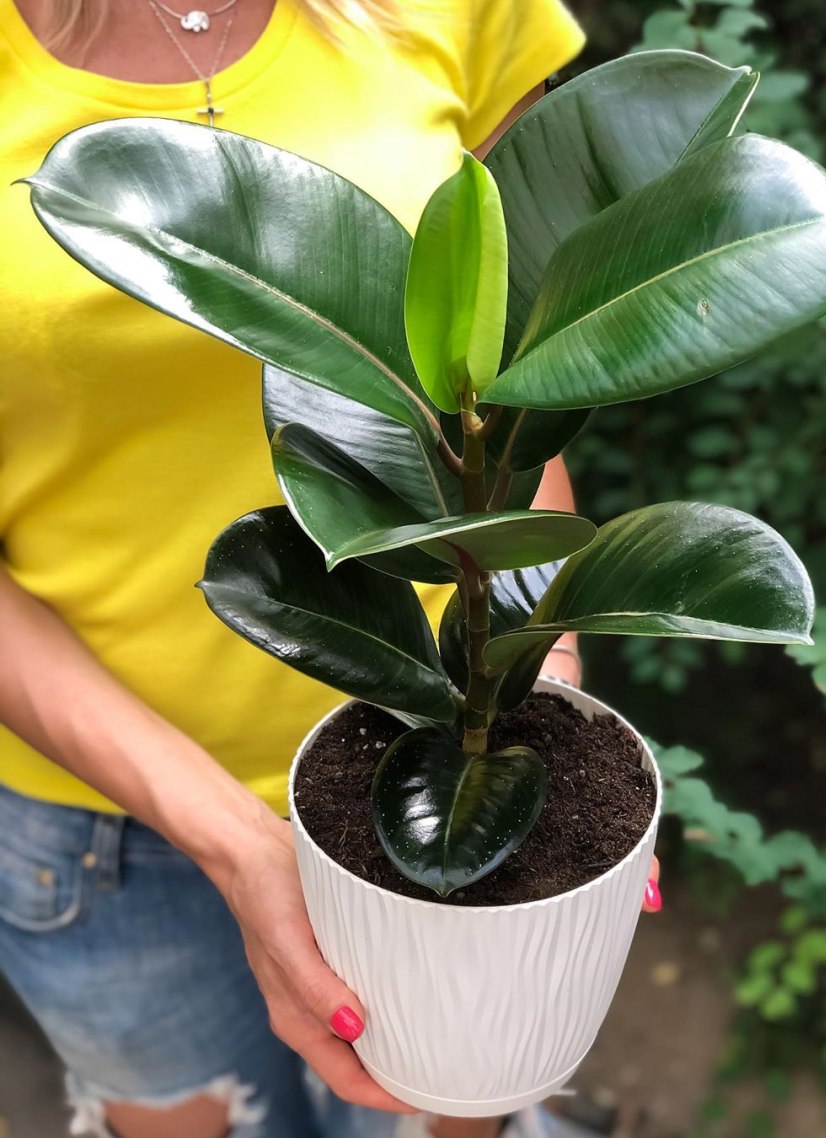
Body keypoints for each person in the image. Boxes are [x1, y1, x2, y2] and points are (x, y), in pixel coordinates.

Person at [0, 1, 662, 1136]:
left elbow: (525, 366)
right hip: (100, 833)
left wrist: (544, 683)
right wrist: (235, 842)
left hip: (448, 761)